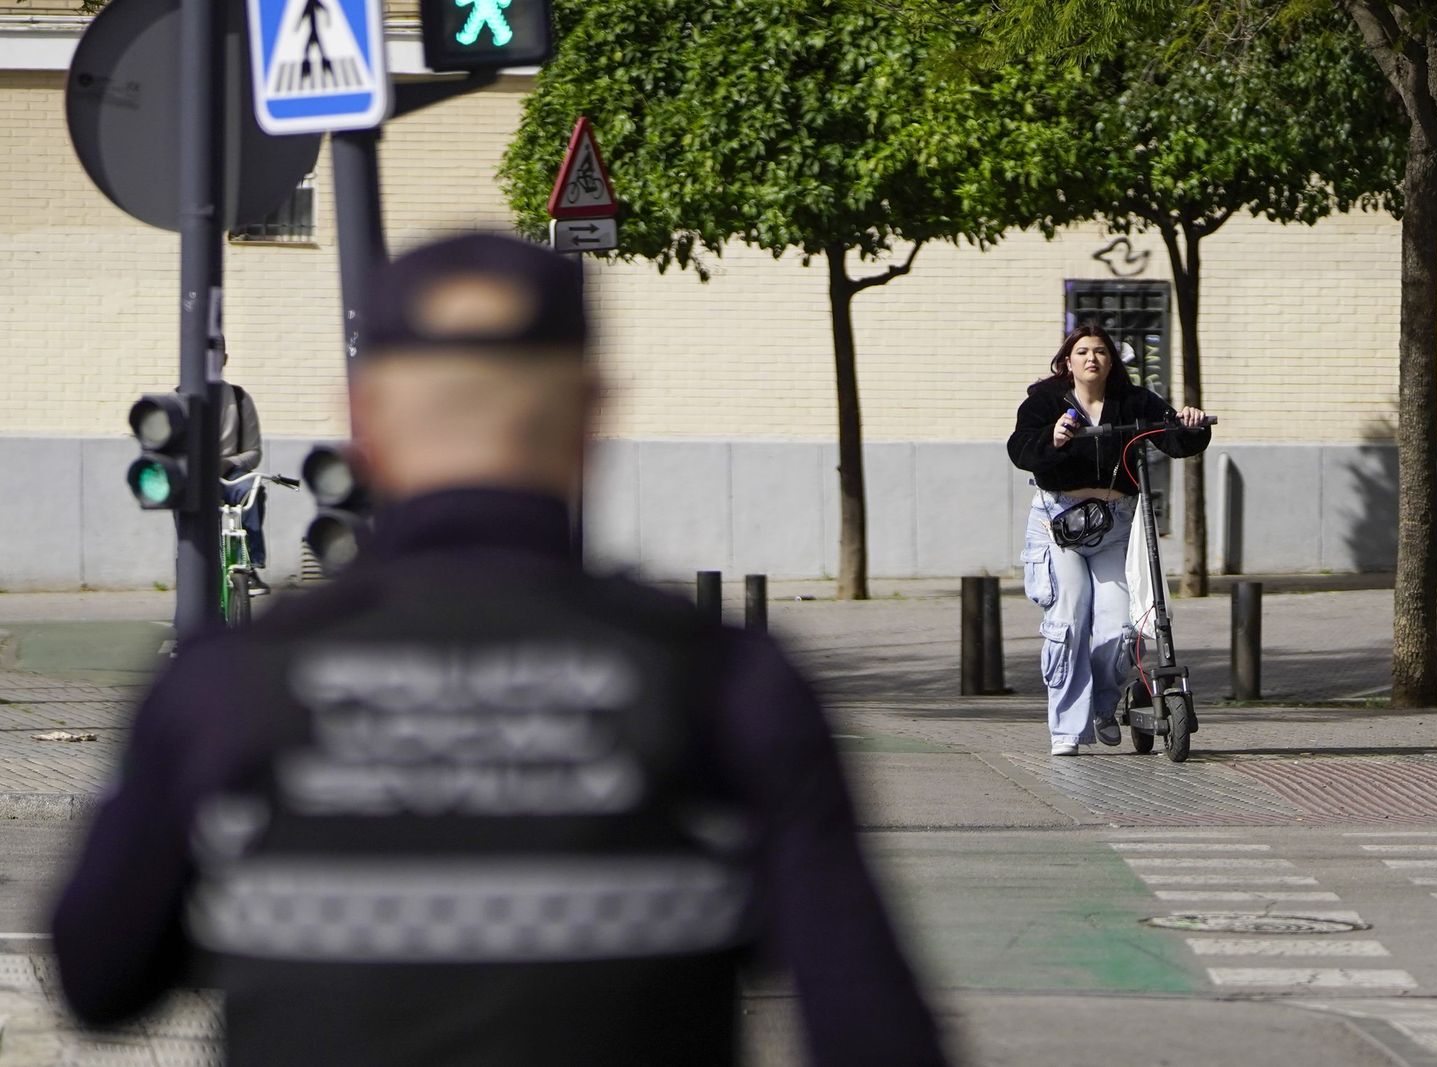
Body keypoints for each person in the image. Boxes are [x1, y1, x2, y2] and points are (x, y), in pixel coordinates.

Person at [52, 234, 949, 1067]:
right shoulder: (726, 679)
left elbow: (98, 977)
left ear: (363, 423)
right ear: (593, 409)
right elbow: (872, 1026)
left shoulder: (229, 682)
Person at [1006, 322, 1209, 756]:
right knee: (1071, 619)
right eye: (1082, 352)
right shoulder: (1045, 401)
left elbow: (1172, 437)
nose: (1091, 358)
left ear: (1112, 360)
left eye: (1100, 351)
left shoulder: (1131, 401)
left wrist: (1190, 424)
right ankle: (1066, 730)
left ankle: (1103, 705)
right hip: (1059, 524)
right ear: (1067, 361)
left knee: (1121, 627)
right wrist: (1053, 437)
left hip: (1115, 524)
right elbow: (1020, 448)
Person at [217, 348, 268, 592]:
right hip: (195, 476)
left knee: (252, 491)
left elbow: (254, 453)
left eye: (215, 353)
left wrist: (230, 462)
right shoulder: (179, 398)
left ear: (224, 359)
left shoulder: (239, 398)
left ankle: (250, 565)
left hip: (229, 473)